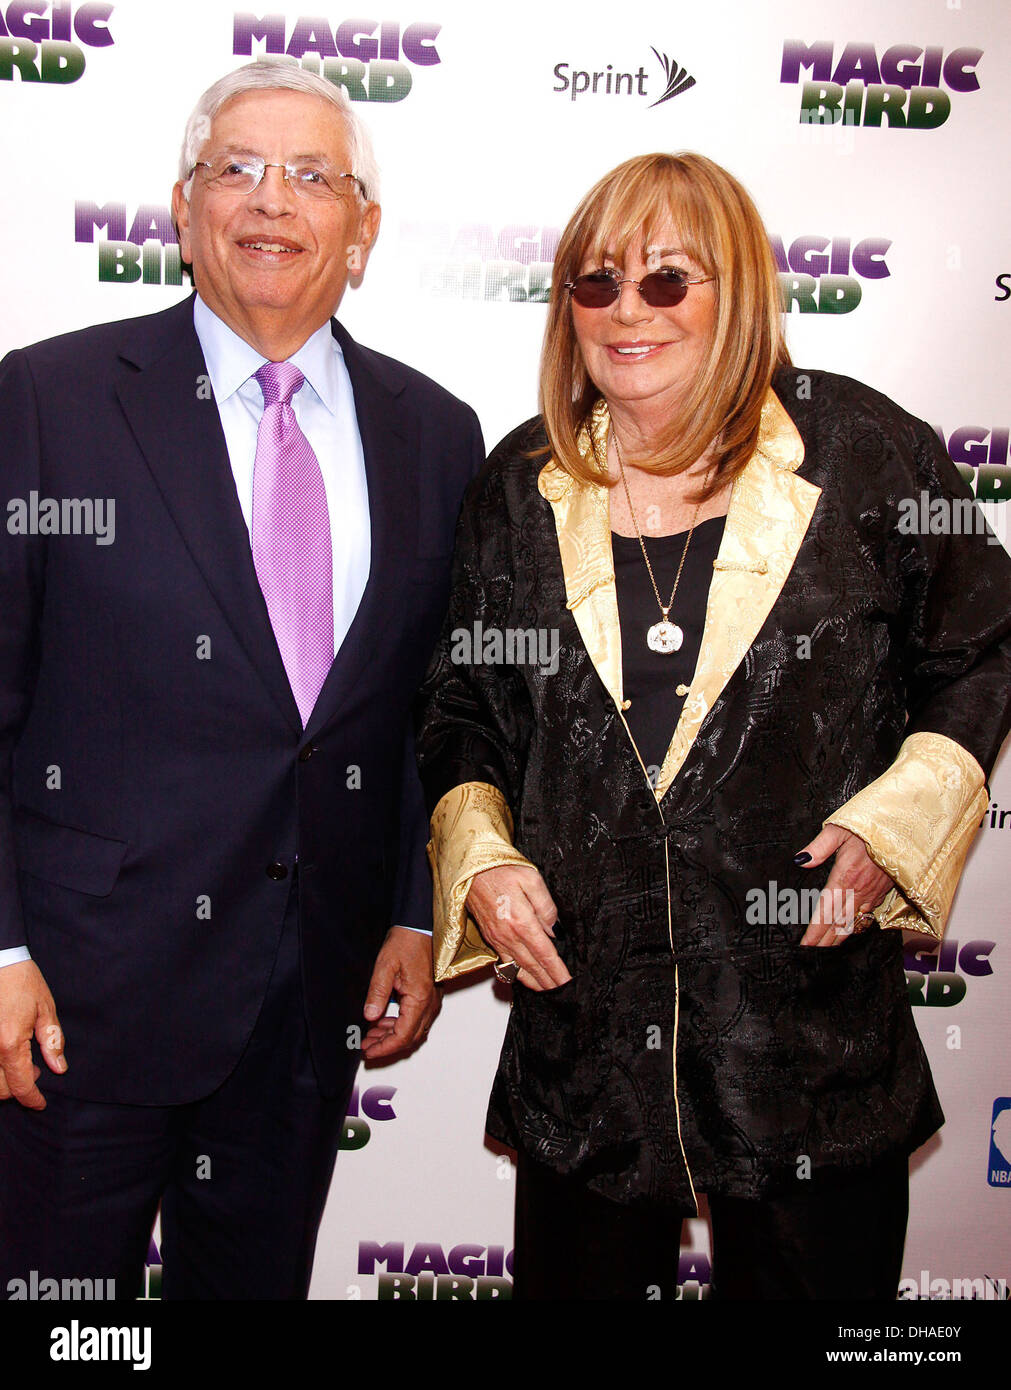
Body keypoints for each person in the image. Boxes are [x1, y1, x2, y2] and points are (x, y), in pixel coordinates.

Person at [416, 152, 1011, 1300]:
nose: (626, 311)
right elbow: (461, 706)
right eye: (595, 285)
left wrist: (901, 819)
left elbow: (981, 641)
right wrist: (480, 856)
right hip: (586, 1046)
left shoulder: (865, 454)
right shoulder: (520, 482)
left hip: (810, 1045)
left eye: (666, 281)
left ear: (736, 290)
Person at [0, 59, 482, 1300]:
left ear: (362, 229)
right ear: (181, 206)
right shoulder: (48, 399)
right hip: (78, 1001)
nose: (274, 202)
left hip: (308, 1001)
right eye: (239, 169)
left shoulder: (436, 434)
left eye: (314, 176)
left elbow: (429, 706)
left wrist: (419, 911)